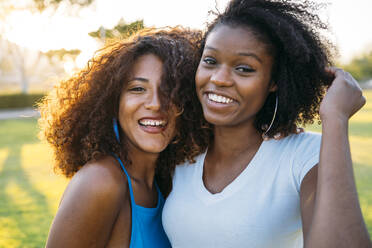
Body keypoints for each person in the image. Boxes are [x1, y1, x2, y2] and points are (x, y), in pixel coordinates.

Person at [162, 0, 372, 247]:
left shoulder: (304, 156)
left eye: (244, 68)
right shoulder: (182, 151)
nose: (218, 79)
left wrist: (335, 119)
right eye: (210, 61)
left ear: (274, 81)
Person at [38, 28, 208, 247]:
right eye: (138, 89)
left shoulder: (166, 183)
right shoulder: (100, 182)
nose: (156, 103)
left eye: (169, 89)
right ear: (113, 103)